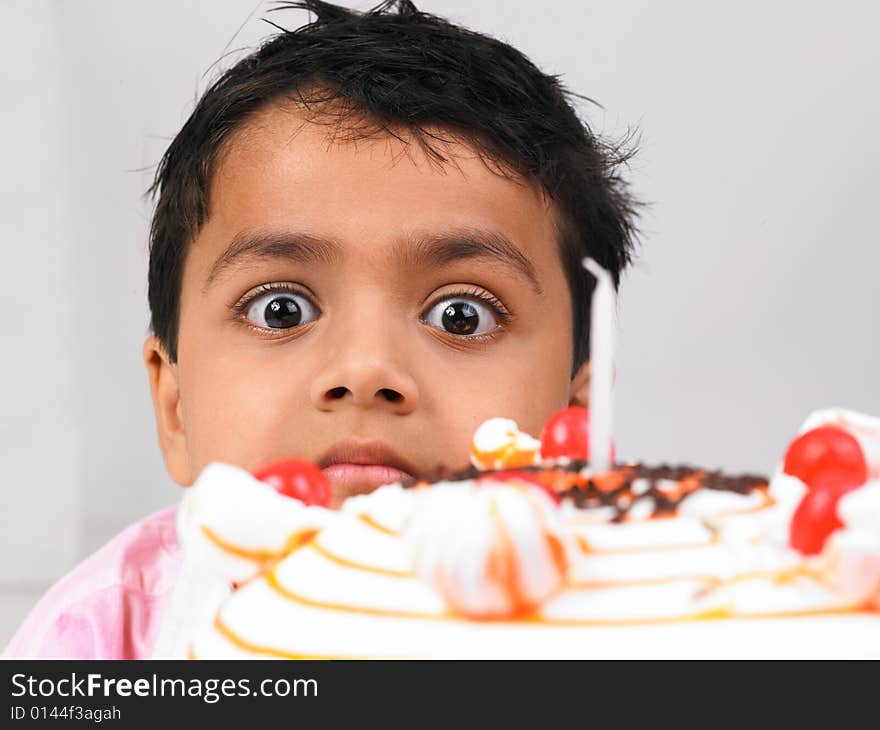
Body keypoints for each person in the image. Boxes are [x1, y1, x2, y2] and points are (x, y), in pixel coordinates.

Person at [4, 0, 638, 659]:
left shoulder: (652, 622)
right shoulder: (104, 639)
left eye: (461, 315)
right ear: (176, 412)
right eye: (280, 309)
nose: (365, 371)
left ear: (579, 417)